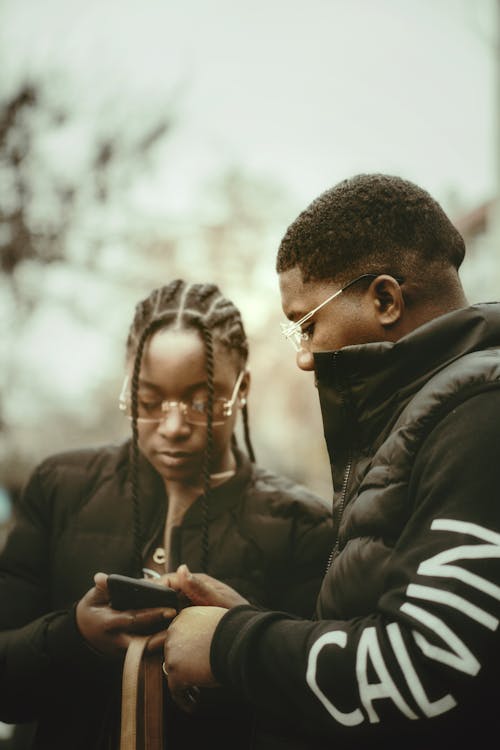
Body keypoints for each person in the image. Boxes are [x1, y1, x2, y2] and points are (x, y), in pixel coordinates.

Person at [163, 174, 500, 749]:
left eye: (308, 324)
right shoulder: (420, 416)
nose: (303, 355)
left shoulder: (479, 418)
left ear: (386, 299)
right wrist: (255, 621)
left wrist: (233, 644)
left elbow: (431, 668)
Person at [0, 279, 333, 750]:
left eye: (202, 402)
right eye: (151, 402)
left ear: (242, 390)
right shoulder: (60, 487)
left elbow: (312, 714)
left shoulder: (303, 526)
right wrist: (74, 637)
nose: (174, 428)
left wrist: (236, 644)